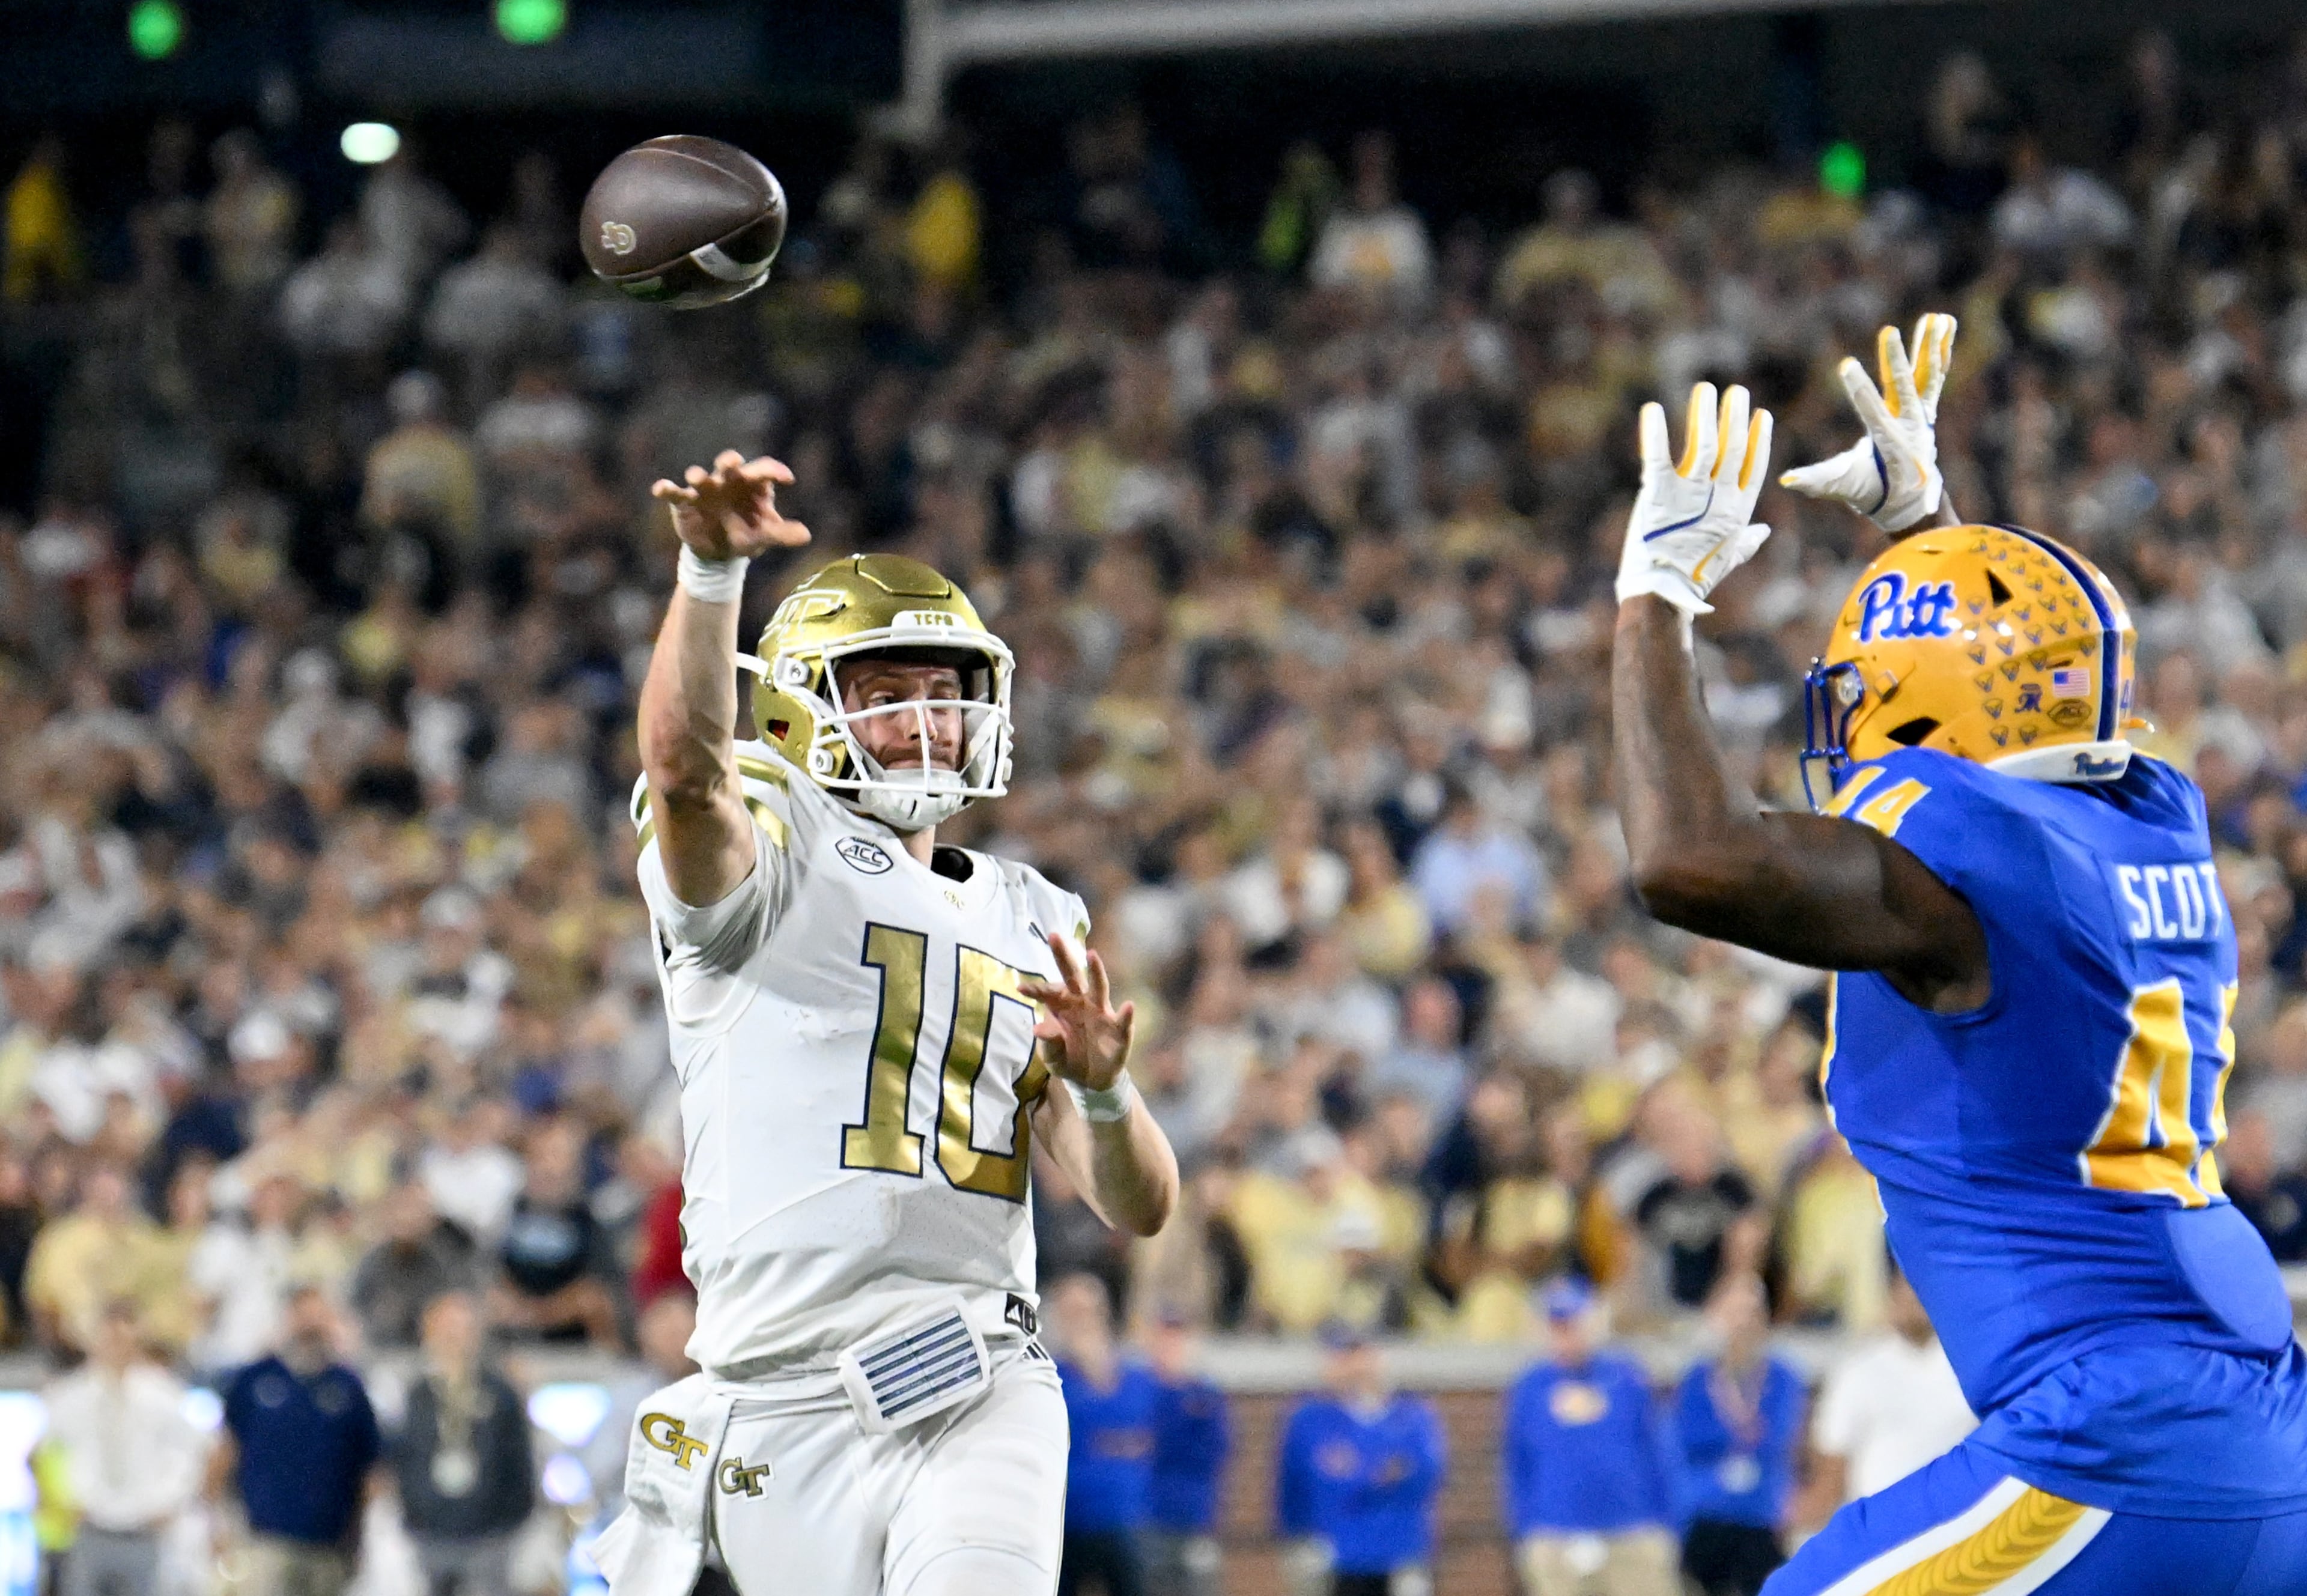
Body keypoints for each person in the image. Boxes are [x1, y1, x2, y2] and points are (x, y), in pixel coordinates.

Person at [1611, 315, 2307, 1594]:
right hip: (2263, 1425)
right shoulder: (2153, 808)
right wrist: (1930, 526)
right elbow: (2026, 696)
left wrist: (1657, 592)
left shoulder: (1974, 872)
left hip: (2118, 1440)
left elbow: (1681, 856)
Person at [593, 453, 1179, 1596]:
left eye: (944, 686)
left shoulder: (1032, 915)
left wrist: (1103, 1093)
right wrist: (711, 572)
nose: (924, 718)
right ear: (801, 706)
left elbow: (1139, 1203)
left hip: (974, 1376)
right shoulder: (776, 846)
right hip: (769, 1399)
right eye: (883, 690)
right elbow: (685, 775)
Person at [1500, 1280, 1677, 1596]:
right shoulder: (1531, 1388)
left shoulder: (1627, 1379)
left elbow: (1658, 1451)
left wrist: (1666, 1525)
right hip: (1555, 1536)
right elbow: (1517, 1463)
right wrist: (1526, 1531)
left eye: (1573, 1325)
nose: (1566, 1336)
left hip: (1631, 1531)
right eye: (1557, 1326)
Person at [211, 1286, 382, 1596]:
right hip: (265, 1539)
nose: (310, 1326)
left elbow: (369, 1470)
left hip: (329, 1545)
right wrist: (217, 1524)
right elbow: (225, 1453)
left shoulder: (348, 1388)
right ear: (288, 1319)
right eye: (303, 1316)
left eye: (318, 1317)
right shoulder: (254, 1380)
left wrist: (362, 1539)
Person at [43, 1301, 205, 1596]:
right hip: (90, 1526)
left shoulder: (164, 1395)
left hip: (143, 1529)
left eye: (123, 1336)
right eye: (109, 1337)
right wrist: (66, 1501)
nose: (116, 1345)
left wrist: (169, 1503)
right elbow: (47, 1456)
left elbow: (187, 1455)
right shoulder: (69, 1396)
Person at [1274, 1326, 1447, 1596]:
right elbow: (1318, 1485)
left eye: (1359, 1355)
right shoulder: (1310, 1419)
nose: (1352, 1366)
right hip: (1336, 1552)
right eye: (1341, 1356)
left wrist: (1362, 1470)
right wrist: (1379, 1472)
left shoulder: (1411, 1415)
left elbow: (1425, 1476)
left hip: (1399, 1548)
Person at [1798, 1269, 1975, 1528]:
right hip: (1877, 1532)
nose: (1913, 1297)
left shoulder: (1972, 1369)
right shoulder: (1857, 1370)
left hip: (1957, 1529)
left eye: (1920, 1285)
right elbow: (1832, 1473)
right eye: (1905, 1286)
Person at [392, 1291, 535, 1595]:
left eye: (462, 1329)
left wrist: (507, 1526)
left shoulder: (498, 1393)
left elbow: (519, 1462)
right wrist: (413, 1517)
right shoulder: (417, 1395)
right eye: (445, 1329)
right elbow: (402, 1460)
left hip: (488, 1538)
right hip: (430, 1537)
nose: (453, 1338)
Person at [1668, 1278, 1805, 1596]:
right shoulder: (1696, 1379)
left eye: (1752, 1313)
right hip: (1706, 1516)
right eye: (1734, 1313)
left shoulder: (1783, 1377)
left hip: (1762, 1517)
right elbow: (1690, 1439)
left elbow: (1779, 1438)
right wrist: (1741, 1432)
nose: (1743, 1324)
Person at [1051, 1273, 1159, 1596]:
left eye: (1088, 1312)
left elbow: (1136, 1431)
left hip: (1122, 1520)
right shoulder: (1050, 1378)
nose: (1081, 1323)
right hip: (1064, 1523)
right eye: (1071, 1314)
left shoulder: (1135, 1378)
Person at [1143, 1311, 1230, 1596]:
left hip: (1194, 1515)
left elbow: (1215, 1451)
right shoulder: (1143, 1390)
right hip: (1149, 1514)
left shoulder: (1205, 1394)